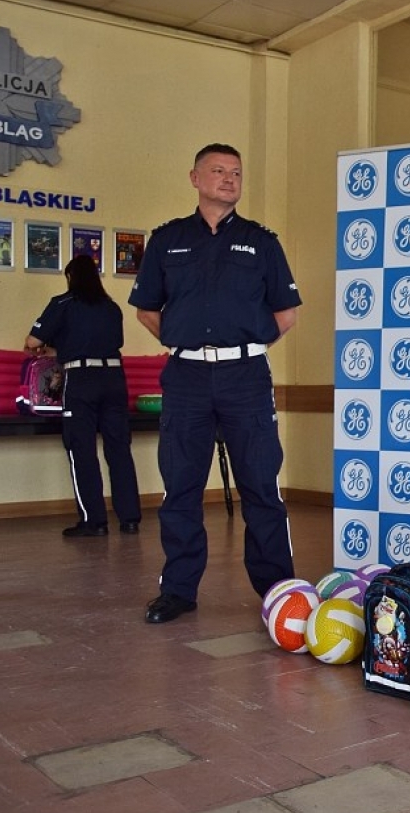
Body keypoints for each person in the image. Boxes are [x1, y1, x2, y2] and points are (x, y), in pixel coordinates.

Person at [128, 143, 302, 624]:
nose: (229, 179)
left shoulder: (261, 242)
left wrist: (241, 347)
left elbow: (286, 314)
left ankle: (278, 592)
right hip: (185, 378)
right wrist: (188, 344)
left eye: (236, 173)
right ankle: (178, 590)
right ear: (195, 178)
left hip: (245, 377)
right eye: (219, 170)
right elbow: (147, 310)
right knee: (180, 486)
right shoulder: (167, 241)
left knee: (261, 485)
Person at [25, 254, 142, 537]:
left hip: (81, 381)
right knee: (119, 449)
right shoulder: (111, 307)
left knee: (82, 449)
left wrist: (49, 348)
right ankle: (129, 519)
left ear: (70, 277)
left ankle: (94, 521)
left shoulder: (62, 303)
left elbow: (32, 342)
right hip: (114, 379)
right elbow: (103, 343)